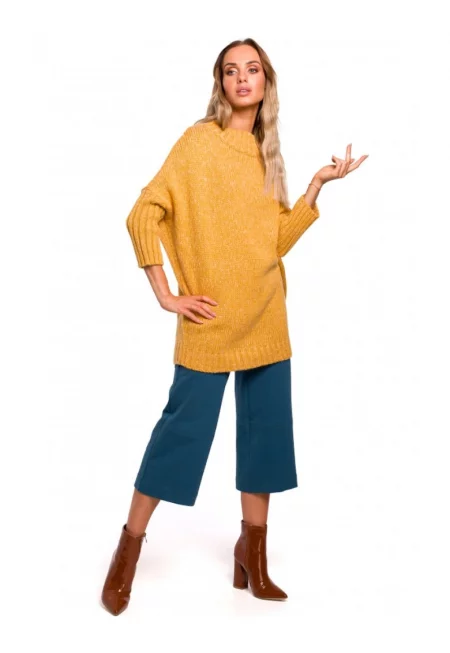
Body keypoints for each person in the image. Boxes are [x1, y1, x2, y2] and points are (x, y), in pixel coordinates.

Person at [100, 37, 368, 616]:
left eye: (252, 70)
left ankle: (254, 555)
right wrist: (166, 294)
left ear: (266, 82)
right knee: (180, 434)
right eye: (230, 70)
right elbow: (142, 212)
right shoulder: (198, 142)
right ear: (220, 83)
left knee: (265, 438)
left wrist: (316, 187)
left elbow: (273, 243)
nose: (242, 78)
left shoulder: (267, 155)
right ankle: (127, 551)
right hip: (211, 320)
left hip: (266, 316)